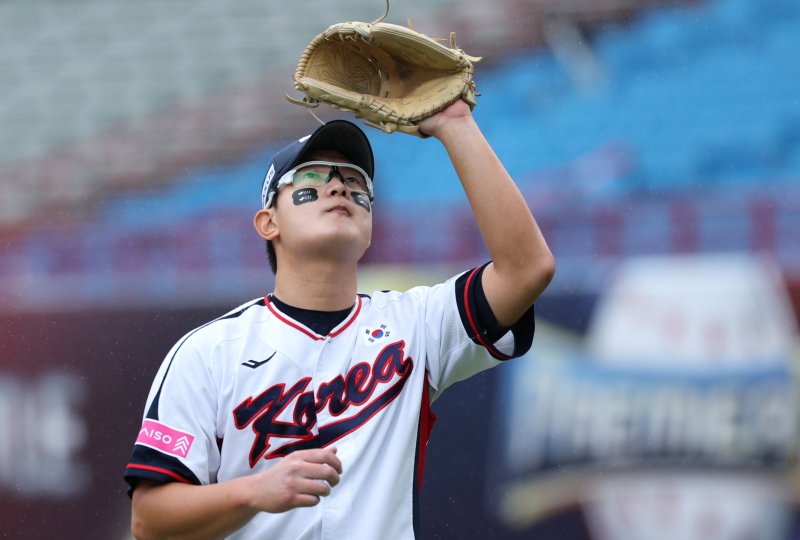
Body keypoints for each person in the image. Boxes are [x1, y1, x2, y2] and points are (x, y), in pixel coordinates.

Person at [124, 99, 555, 539]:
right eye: (311, 177)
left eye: (355, 182)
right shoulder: (208, 352)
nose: (339, 187)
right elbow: (149, 520)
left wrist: (456, 125)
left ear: (370, 227)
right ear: (268, 222)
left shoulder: (417, 324)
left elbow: (527, 270)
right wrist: (253, 491)